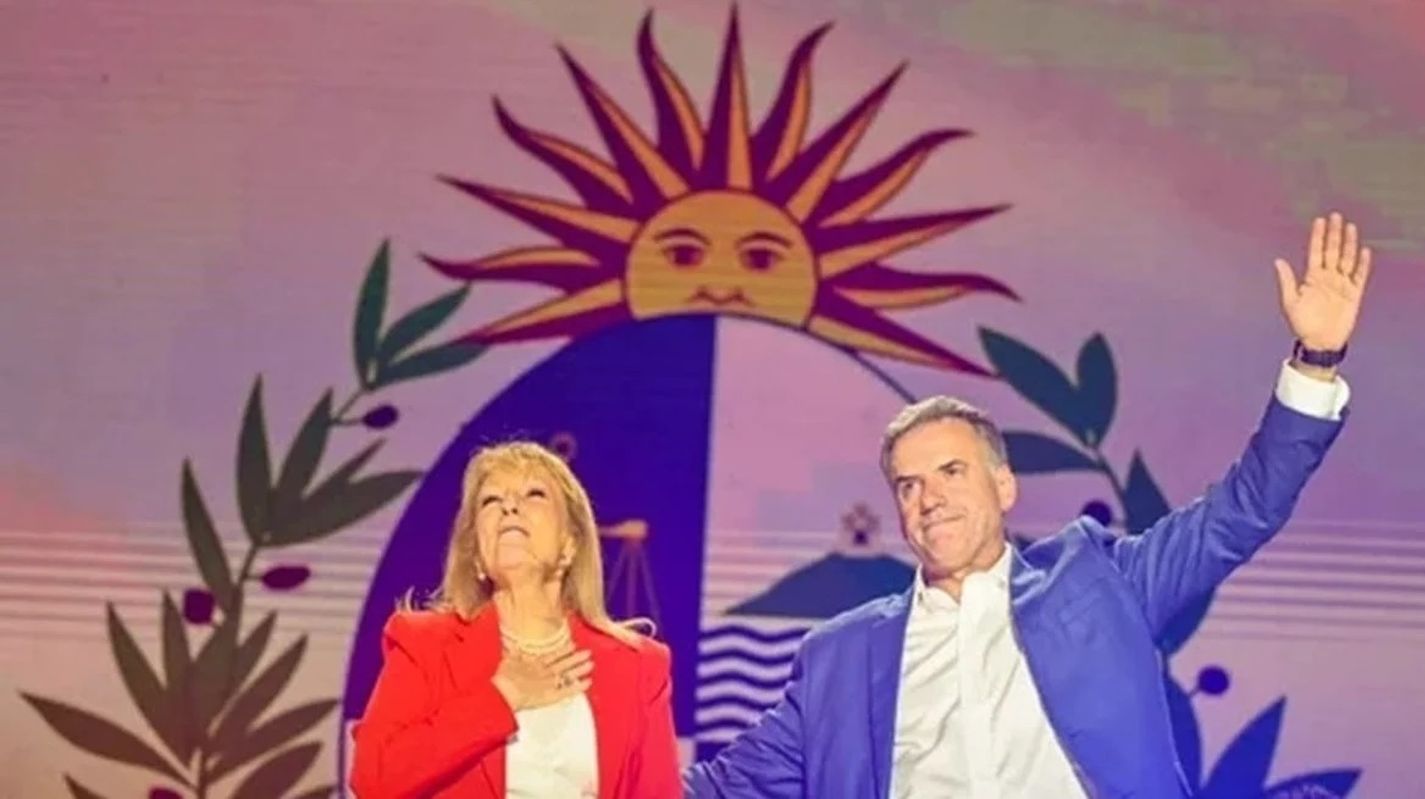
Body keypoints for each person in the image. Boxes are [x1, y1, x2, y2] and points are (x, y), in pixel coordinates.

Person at [685, 212, 1372, 798]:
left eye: (952, 470)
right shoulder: (840, 655)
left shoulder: (1100, 581)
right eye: (909, 483)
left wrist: (1316, 358)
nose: (930, 498)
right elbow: (714, 789)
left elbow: (1241, 510)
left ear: (1004, 485)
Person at [351, 442, 682, 798]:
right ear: (477, 555)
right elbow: (375, 779)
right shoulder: (425, 643)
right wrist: (501, 697)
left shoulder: (638, 666)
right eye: (491, 501)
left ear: (570, 543)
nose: (510, 506)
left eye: (534, 494)